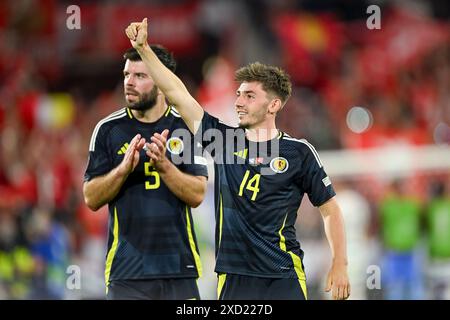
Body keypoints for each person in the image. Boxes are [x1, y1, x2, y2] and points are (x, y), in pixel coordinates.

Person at [125, 18, 350, 300]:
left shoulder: (299, 153)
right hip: (234, 280)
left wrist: (339, 263)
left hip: (283, 278)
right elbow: (178, 95)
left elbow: (330, 210)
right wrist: (144, 50)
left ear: (273, 105)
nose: (239, 102)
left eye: (250, 96)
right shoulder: (222, 141)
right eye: (239, 95)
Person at [82, 45, 208, 300]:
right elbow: (91, 198)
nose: (129, 82)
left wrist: (164, 166)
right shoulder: (108, 130)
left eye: (140, 76)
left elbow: (197, 194)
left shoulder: (183, 126)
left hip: (178, 269)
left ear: (162, 81)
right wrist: (122, 171)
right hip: (127, 272)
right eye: (127, 75)